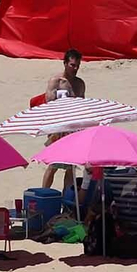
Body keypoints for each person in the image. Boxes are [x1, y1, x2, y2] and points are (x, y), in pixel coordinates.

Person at [41, 49, 87, 191]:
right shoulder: (56, 82)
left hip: (74, 127)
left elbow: (82, 105)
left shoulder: (80, 84)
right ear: (65, 63)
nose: (75, 68)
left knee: (71, 167)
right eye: (72, 65)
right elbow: (49, 104)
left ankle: (65, 198)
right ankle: (44, 193)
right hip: (58, 127)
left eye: (77, 66)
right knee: (53, 164)